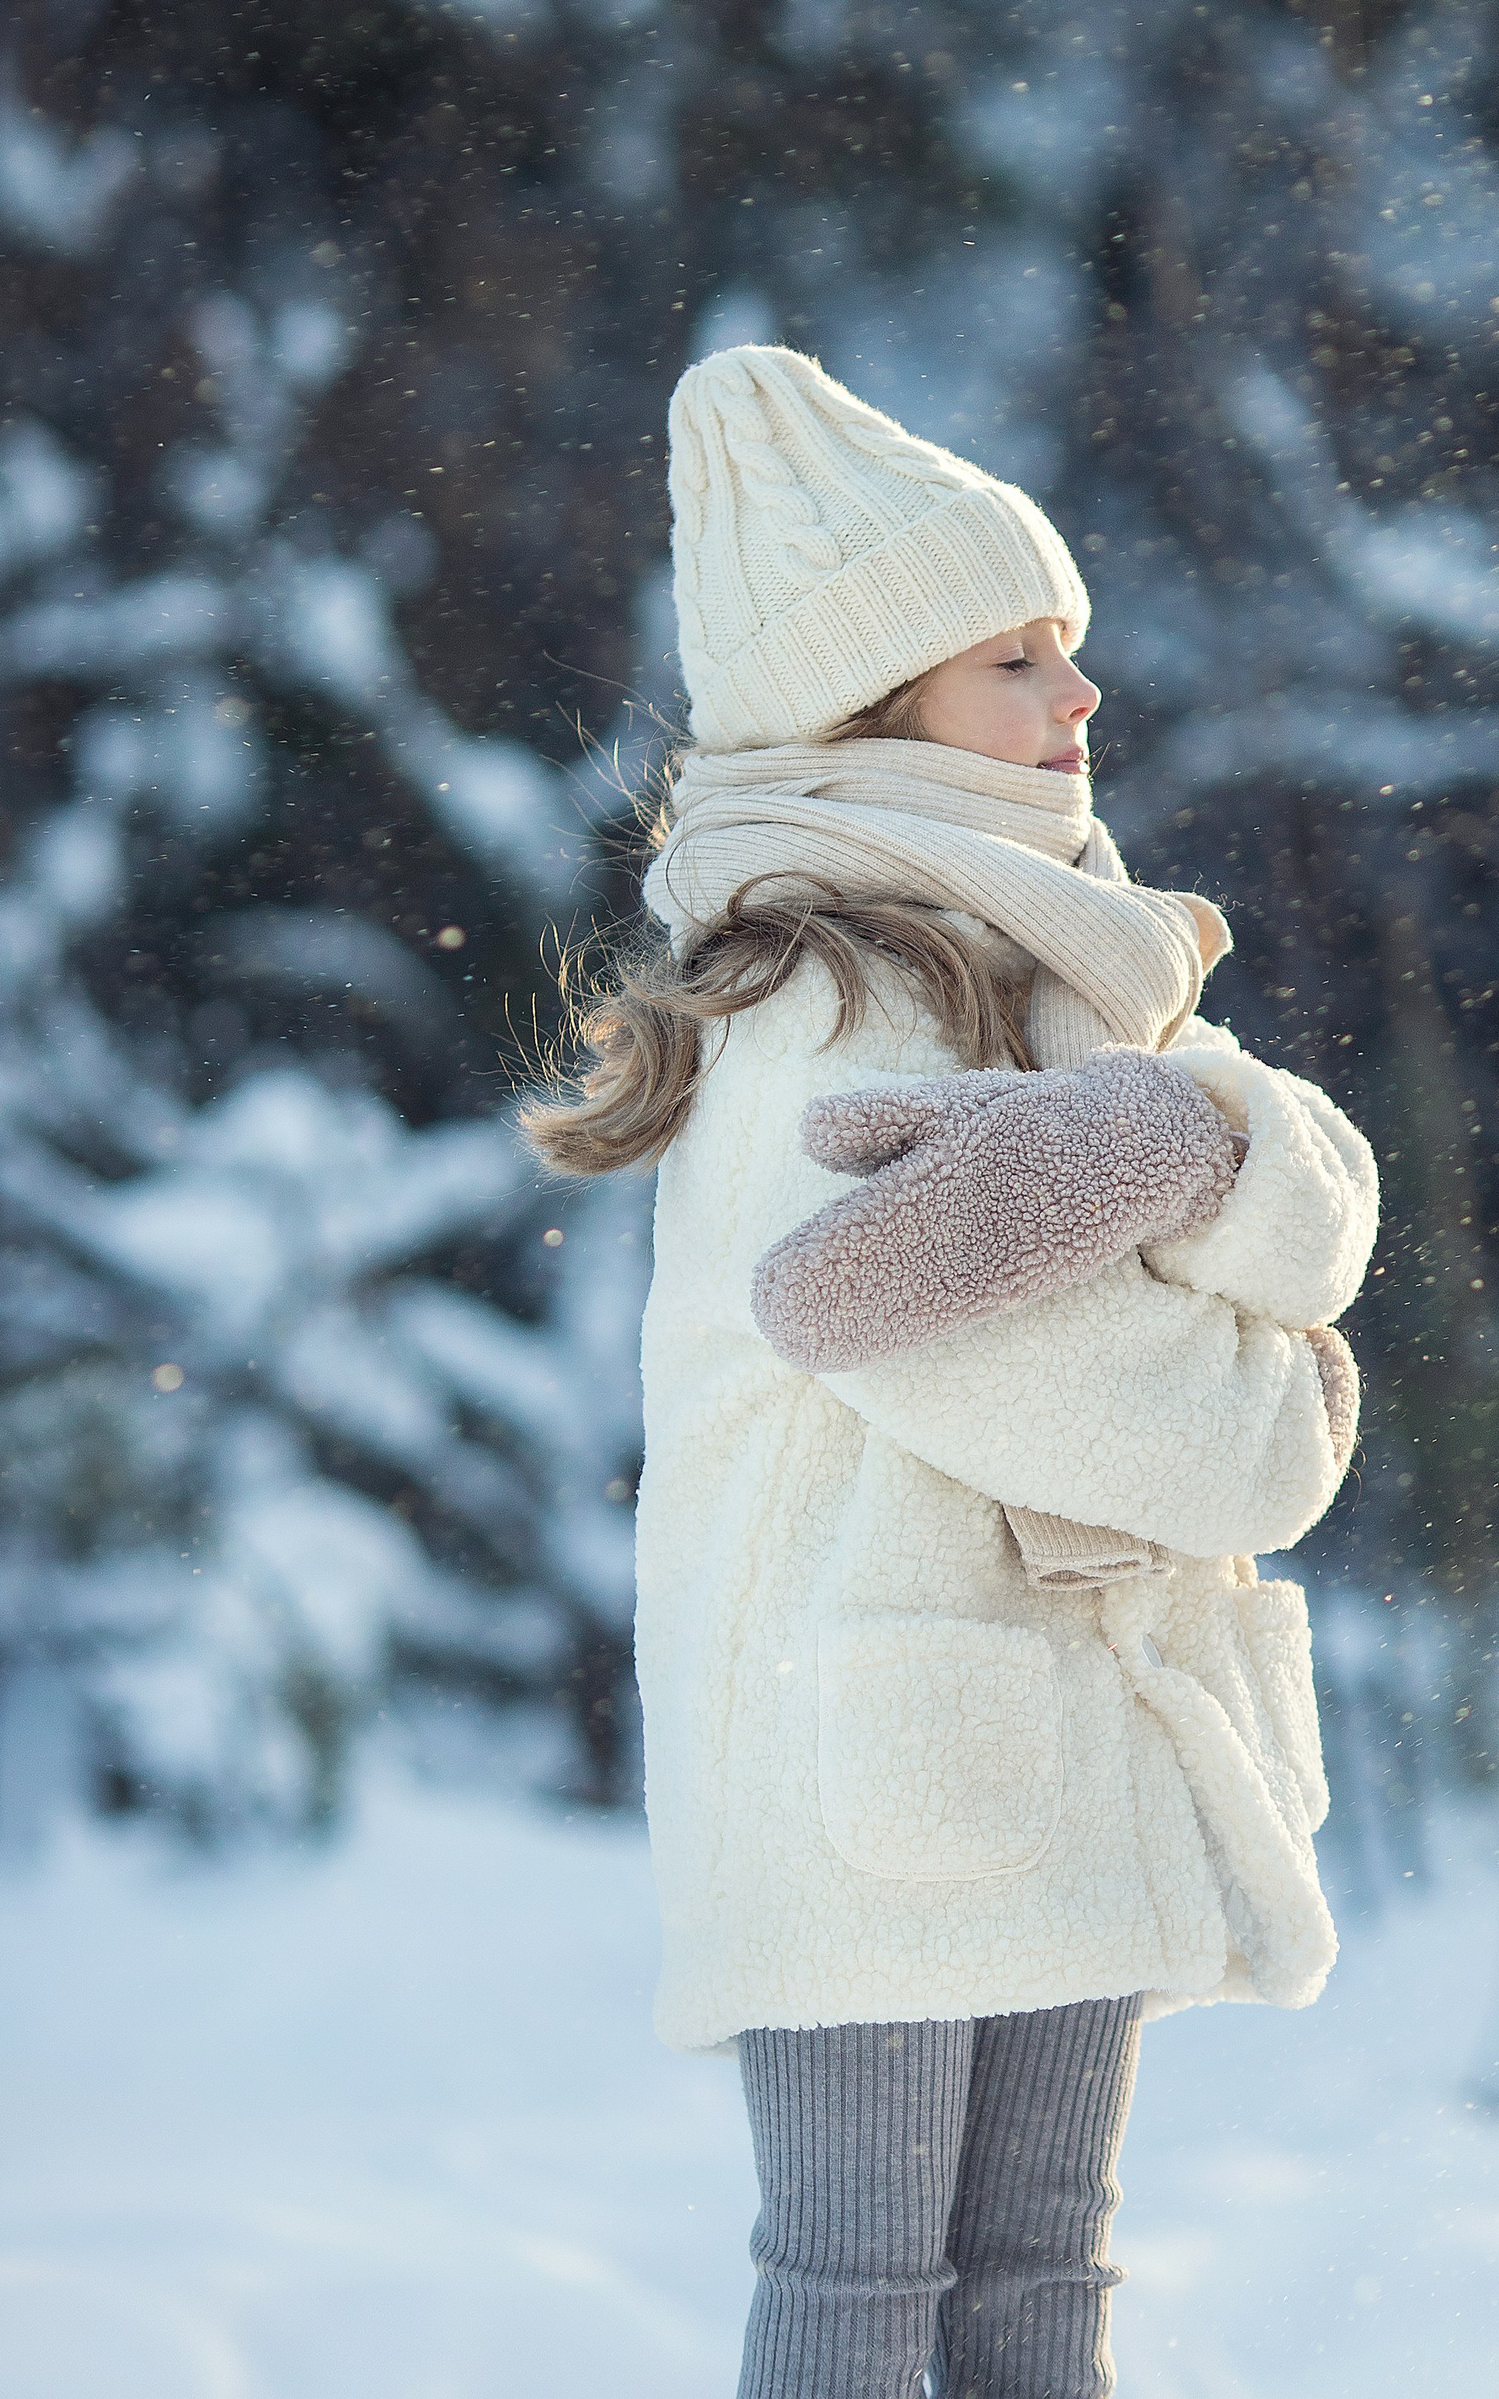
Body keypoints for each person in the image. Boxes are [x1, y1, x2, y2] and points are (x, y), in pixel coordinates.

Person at [521, 342, 1375, 2399]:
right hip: (879, 1757)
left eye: (1064, 649)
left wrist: (1183, 1137)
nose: (1077, 699)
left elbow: (1319, 1205)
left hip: (1021, 1739)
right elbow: (980, 1342)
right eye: (1016, 659)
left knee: (1029, 2285)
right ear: (865, 705)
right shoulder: (840, 992)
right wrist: (1275, 1410)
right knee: (862, 2290)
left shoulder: (1052, 968)